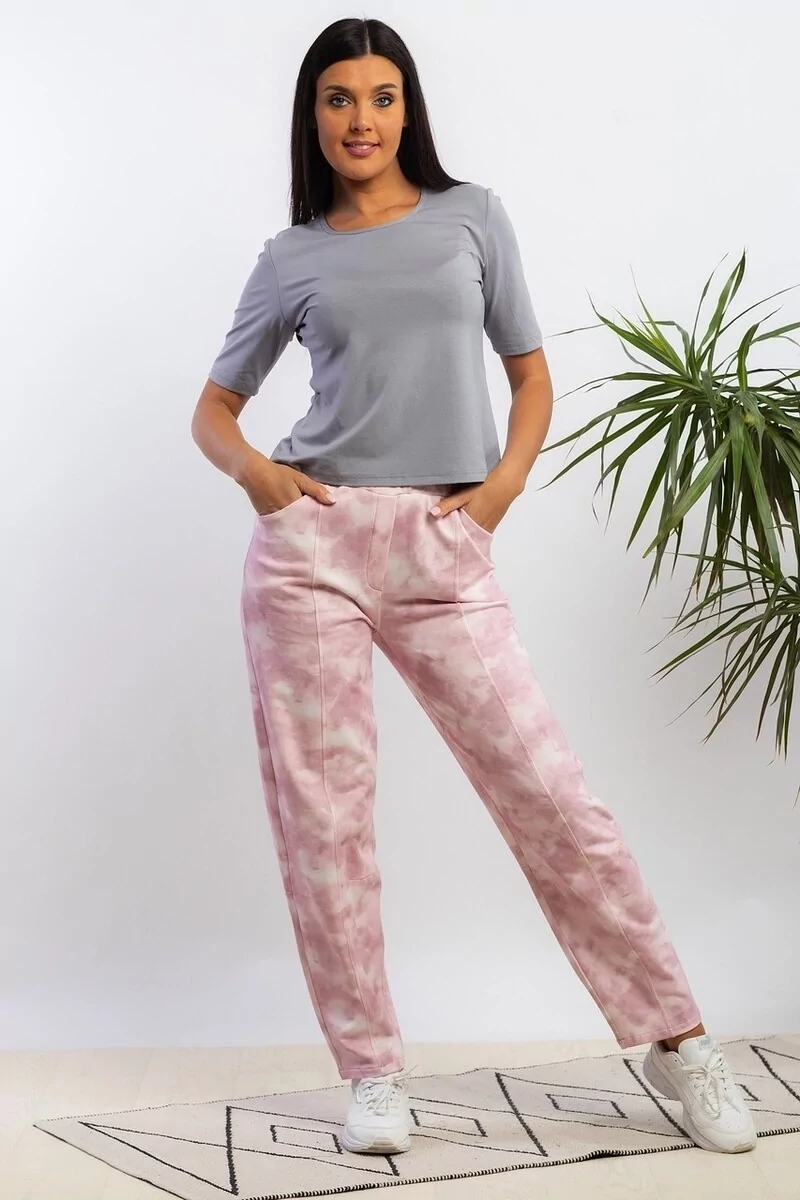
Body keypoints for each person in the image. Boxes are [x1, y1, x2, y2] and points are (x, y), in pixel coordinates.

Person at [191, 15, 756, 1159]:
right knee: (326, 824)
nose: (361, 119)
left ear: (408, 108)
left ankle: (678, 1040)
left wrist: (496, 491)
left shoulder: (471, 219)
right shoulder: (292, 255)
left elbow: (529, 376)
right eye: (338, 99)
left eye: (381, 96)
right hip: (313, 552)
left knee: (553, 800)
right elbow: (213, 410)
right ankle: (371, 1076)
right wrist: (260, 480)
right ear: (312, 116)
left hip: (443, 545)